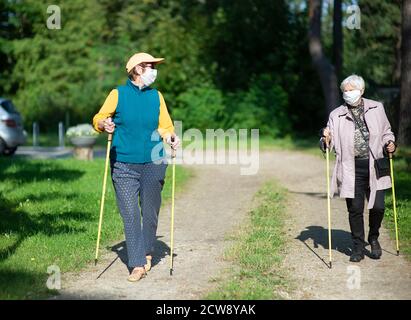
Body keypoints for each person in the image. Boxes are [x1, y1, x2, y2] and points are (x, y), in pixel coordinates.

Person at [92, 52, 180, 281]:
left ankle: (147, 251)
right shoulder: (117, 94)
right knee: (130, 213)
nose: (154, 70)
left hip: (154, 161)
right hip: (123, 162)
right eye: (151, 66)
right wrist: (104, 124)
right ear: (138, 69)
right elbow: (99, 118)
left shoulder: (156, 96)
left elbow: (165, 126)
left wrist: (171, 137)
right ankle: (138, 263)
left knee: (149, 212)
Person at [320, 74, 396, 262]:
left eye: (351, 90)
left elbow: (387, 131)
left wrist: (390, 142)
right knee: (355, 209)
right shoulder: (336, 114)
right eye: (344, 91)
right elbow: (327, 143)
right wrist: (325, 139)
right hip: (350, 167)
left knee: (378, 207)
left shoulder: (376, 108)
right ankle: (358, 246)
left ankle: (374, 237)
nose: (348, 94)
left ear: (361, 91)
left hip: (375, 164)